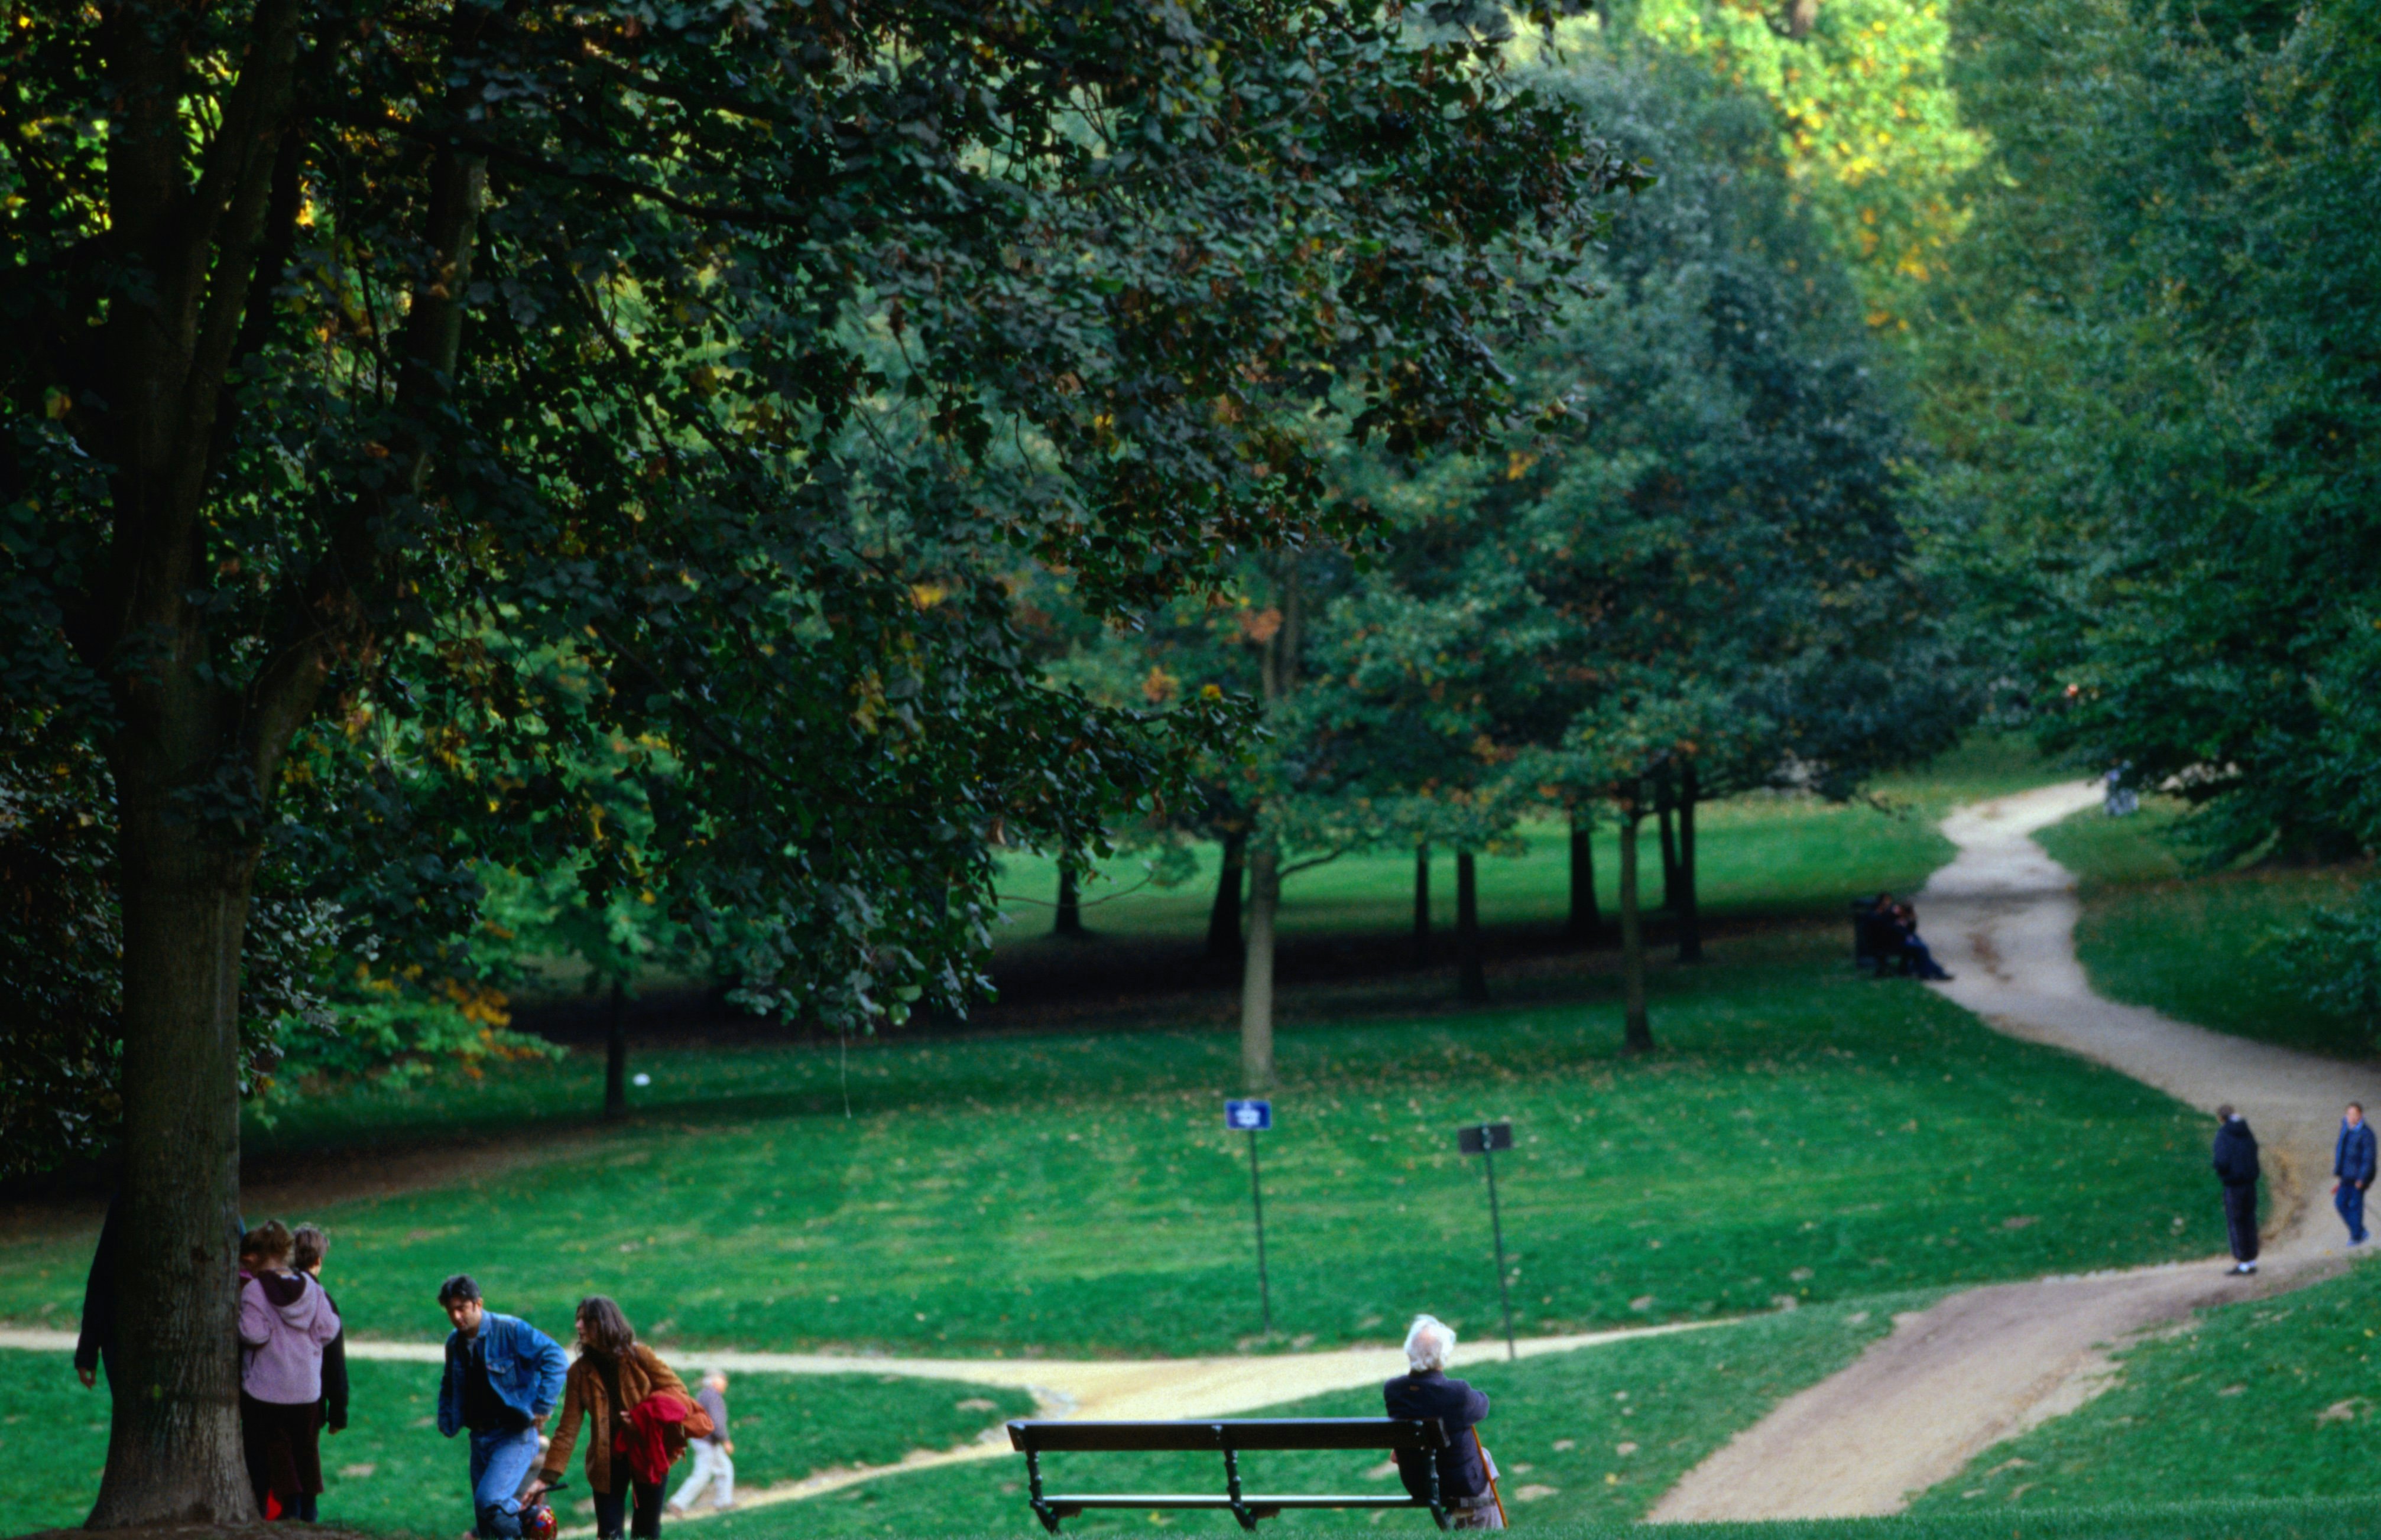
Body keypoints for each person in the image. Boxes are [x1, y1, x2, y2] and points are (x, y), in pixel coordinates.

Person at [526, 1297, 693, 1540]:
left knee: (646, 1531)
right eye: (578, 1319)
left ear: (604, 1323)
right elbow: (567, 1429)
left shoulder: (640, 1356)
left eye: (586, 1320)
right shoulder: (579, 1372)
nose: (578, 1326)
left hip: (649, 1453)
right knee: (609, 1533)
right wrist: (546, 1477)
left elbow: (679, 1394)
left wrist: (642, 1417)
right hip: (607, 1460)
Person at [437, 1275, 570, 1539]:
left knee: (491, 1502)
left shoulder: (510, 1329)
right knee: (486, 1526)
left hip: (514, 1435)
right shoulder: (455, 1343)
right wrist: (447, 1420)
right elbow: (449, 1384)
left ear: (478, 1304)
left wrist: (543, 1405)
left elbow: (556, 1357)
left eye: (461, 1308)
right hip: (480, 1438)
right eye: (450, 1311)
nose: (456, 1316)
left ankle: (530, 1533)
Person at [239, 1221, 344, 1521]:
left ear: (255, 1259)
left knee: (279, 1451)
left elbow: (254, 1334)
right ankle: (309, 1509)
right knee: (306, 1449)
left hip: (268, 1389)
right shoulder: (311, 1288)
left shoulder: (255, 1292)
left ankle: (290, 1506)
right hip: (307, 1388)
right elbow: (328, 1329)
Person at [1382, 1315, 1500, 1529]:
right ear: (1443, 1356)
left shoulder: (1394, 1391)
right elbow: (1483, 1406)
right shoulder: (1457, 1393)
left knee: (1484, 1459)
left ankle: (1469, 1520)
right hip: (1457, 1483)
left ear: (1410, 1352)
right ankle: (1484, 1527)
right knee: (1484, 1462)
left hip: (1419, 1483)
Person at [291, 1225, 349, 1521]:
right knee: (307, 1463)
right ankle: (306, 1519)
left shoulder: (271, 1295)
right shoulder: (323, 1303)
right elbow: (334, 1363)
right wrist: (338, 1412)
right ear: (318, 1262)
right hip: (310, 1397)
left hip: (268, 1396)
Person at [667, 1371, 735, 1516]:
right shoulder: (713, 1397)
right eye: (723, 1380)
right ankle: (677, 1503)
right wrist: (726, 1440)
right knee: (702, 1474)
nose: (726, 1383)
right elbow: (717, 1422)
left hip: (705, 1440)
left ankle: (724, 1502)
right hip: (707, 1441)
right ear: (714, 1381)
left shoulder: (706, 1394)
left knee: (725, 1469)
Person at [2213, 1104, 2262, 1275]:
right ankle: (2252, 1259)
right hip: (2250, 1183)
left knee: (2236, 1222)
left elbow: (2221, 1161)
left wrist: (2222, 1173)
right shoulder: (2247, 1132)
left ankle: (2242, 1261)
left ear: (2221, 1118)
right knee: (2250, 1220)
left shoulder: (2223, 1134)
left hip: (2234, 1185)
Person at [2335, 1103, 2376, 1246]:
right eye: (2349, 1114)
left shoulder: (2366, 1134)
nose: (2352, 1117)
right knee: (2340, 1203)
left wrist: (2362, 1178)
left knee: (2356, 1206)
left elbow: (2368, 1158)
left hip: (2358, 1178)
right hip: (2346, 1176)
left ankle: (2357, 1236)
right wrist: (2339, 1171)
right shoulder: (2346, 1129)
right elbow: (2341, 1151)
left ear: (2361, 1116)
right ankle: (2360, 1231)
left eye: (2354, 1114)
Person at [1890, 902, 1952, 982]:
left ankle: (1932, 972)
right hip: (1897, 943)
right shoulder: (1892, 917)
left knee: (1921, 950)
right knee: (1922, 950)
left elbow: (1911, 931)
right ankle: (1935, 972)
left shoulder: (1906, 920)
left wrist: (1910, 921)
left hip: (1906, 941)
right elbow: (1898, 932)